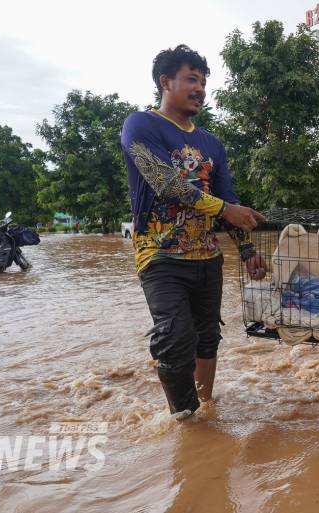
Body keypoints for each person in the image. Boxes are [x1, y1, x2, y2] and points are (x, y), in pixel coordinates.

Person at [121, 44, 266, 419]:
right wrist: (224, 208)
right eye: (191, 79)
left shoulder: (211, 143)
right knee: (174, 336)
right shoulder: (140, 124)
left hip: (207, 256)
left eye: (203, 81)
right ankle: (184, 420)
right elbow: (164, 183)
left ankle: (205, 408)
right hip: (159, 253)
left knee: (207, 338)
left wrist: (248, 252)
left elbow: (228, 199)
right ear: (164, 81)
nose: (200, 88)